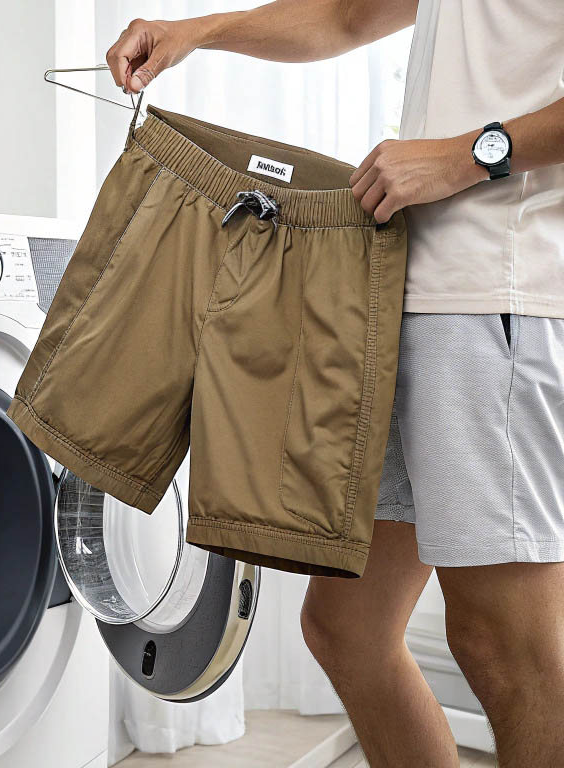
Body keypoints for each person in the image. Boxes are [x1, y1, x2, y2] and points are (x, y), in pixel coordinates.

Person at [106, 2, 564, 766]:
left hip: (494, 296)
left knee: (507, 652)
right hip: (401, 288)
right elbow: (350, 17)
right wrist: (196, 33)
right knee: (348, 631)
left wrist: (466, 154)